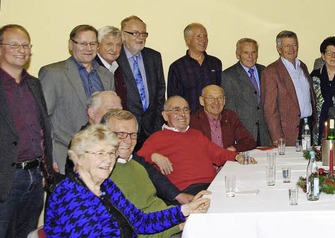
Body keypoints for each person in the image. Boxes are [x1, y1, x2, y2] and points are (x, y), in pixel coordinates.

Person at [44, 124, 211, 237]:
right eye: (100, 153)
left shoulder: (106, 186)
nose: (108, 160)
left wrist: (186, 209)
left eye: (111, 153)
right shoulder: (69, 196)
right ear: (78, 158)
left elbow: (140, 221)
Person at [137, 96, 256, 195]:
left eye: (185, 110)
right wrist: (153, 156)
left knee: (249, 190)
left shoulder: (196, 134)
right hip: (188, 191)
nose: (182, 114)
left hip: (213, 185)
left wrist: (237, 157)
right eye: (176, 110)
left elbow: (217, 153)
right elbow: (135, 161)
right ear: (165, 115)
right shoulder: (157, 138)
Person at [0, 24, 54, 238]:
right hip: (6, 177)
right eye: (14, 45)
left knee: (26, 233)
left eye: (25, 45)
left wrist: (45, 169)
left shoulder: (34, 84)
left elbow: (42, 128)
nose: (21, 50)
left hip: (34, 175)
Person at [39, 24, 114, 174]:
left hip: (98, 160)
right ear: (71, 44)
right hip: (63, 155)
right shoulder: (54, 73)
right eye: (83, 43)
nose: (88, 48)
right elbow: (41, 119)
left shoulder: (107, 76)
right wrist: (49, 155)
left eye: (93, 43)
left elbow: (111, 117)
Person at [103, 110, 184, 237]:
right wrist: (179, 226)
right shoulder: (104, 177)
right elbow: (132, 230)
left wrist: (187, 211)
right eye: (120, 134)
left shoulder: (136, 165)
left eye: (132, 135)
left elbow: (155, 206)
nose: (128, 141)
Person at [115, 15, 165, 151]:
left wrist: (157, 122)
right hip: (124, 130)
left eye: (144, 33)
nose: (141, 37)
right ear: (123, 35)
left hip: (151, 128)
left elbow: (160, 90)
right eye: (135, 33)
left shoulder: (154, 57)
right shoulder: (115, 57)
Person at [262, 30, 316, 146]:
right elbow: (270, 109)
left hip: (307, 126)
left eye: (294, 44)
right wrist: (277, 137)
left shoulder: (302, 66)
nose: (291, 49)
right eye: (287, 46)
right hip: (286, 132)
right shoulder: (271, 72)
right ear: (278, 49)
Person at [221, 38, 270, 146]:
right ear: (238, 54)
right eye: (246, 53)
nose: (250, 57)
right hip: (243, 133)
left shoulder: (265, 71)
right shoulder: (228, 76)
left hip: (265, 133)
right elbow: (229, 111)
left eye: (253, 52)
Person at [168, 23, 222, 114]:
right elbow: (173, 99)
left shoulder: (215, 63)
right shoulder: (177, 67)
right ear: (188, 40)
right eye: (199, 36)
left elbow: (221, 92)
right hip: (189, 120)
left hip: (213, 119)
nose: (203, 40)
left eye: (205, 36)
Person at [190, 85, 256, 152]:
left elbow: (249, 141)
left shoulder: (230, 116)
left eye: (220, 98)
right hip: (206, 161)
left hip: (228, 160)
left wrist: (232, 149)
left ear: (224, 100)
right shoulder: (193, 121)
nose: (216, 102)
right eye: (211, 98)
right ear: (202, 101)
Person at [96, 26, 127, 108]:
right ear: (97, 46)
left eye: (118, 45)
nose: (114, 49)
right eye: (109, 44)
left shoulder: (119, 68)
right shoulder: (93, 68)